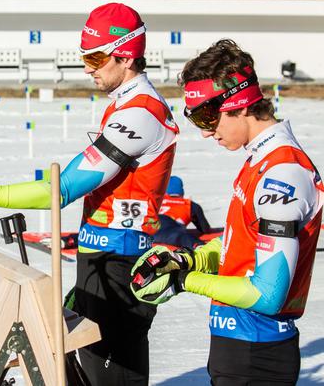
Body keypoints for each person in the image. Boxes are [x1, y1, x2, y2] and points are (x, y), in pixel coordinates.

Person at [0, 2, 179, 385]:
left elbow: (61, 189)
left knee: (112, 377)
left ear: (127, 56)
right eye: (84, 55)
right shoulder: (126, 105)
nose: (87, 66)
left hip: (119, 263)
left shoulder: (141, 114)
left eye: (96, 56)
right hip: (101, 258)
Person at [131, 39, 322, 385]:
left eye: (206, 115)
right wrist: (191, 260)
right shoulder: (261, 162)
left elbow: (268, 294)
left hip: (257, 354)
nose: (205, 132)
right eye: (195, 119)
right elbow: (240, 245)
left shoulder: (283, 174)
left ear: (240, 103)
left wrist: (184, 282)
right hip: (240, 348)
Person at [153, 175, 211, 248]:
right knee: (191, 242)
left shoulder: (157, 201)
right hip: (170, 228)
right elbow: (205, 229)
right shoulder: (190, 205)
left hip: (151, 225)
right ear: (182, 191)